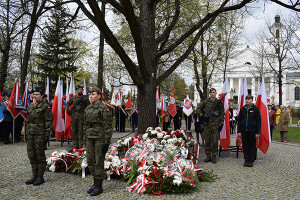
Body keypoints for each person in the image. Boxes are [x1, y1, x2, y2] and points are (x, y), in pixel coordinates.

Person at [84, 88, 112, 196]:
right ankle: (95, 182)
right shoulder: (88, 108)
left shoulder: (104, 108)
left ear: (99, 96)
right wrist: (84, 137)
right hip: (90, 137)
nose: (90, 96)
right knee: (90, 161)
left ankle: (99, 186)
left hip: (100, 137)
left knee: (98, 161)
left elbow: (108, 126)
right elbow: (85, 124)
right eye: (90, 94)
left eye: (93, 94)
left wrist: (106, 141)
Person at [25, 87, 53, 186]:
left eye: (37, 94)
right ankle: (34, 175)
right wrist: (27, 133)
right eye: (34, 94)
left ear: (41, 95)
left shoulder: (45, 107)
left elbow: (49, 121)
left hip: (40, 134)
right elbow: (28, 121)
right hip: (31, 133)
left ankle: (40, 176)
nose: (35, 96)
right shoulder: (30, 106)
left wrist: (46, 135)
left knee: (40, 155)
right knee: (31, 155)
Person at [197, 88, 224, 164]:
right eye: (211, 92)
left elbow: (222, 113)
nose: (212, 94)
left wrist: (221, 123)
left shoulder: (219, 102)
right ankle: (208, 155)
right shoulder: (206, 101)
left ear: (216, 93)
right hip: (207, 124)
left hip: (215, 124)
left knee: (215, 141)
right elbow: (198, 109)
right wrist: (202, 116)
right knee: (207, 140)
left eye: (214, 92)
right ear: (210, 93)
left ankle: (214, 156)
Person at [237, 95, 261, 167]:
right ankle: (246, 159)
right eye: (246, 99)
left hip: (252, 131)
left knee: (252, 145)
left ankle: (251, 160)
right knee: (245, 145)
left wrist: (258, 132)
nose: (247, 101)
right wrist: (239, 131)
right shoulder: (243, 109)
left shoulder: (255, 109)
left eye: (249, 99)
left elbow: (258, 121)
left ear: (252, 100)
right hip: (244, 131)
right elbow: (239, 121)